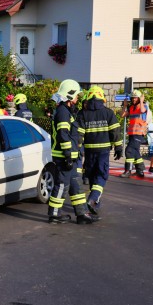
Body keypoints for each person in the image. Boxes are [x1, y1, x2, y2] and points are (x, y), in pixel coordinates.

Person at [48, 79, 98, 225]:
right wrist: (68, 155)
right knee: (62, 185)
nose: (78, 99)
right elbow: (63, 134)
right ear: (70, 96)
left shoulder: (67, 111)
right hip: (64, 157)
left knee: (76, 185)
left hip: (71, 156)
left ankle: (81, 214)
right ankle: (54, 214)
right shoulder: (63, 112)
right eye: (76, 95)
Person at [77, 85, 123, 214]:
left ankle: (95, 203)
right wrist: (118, 147)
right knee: (101, 175)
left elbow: (79, 135)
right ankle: (93, 199)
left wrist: (76, 150)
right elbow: (115, 131)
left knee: (92, 176)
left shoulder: (83, 113)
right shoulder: (108, 112)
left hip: (90, 151)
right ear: (101, 97)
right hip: (103, 151)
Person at [120, 89, 148, 178]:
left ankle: (128, 171)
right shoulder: (131, 108)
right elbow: (122, 115)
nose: (133, 100)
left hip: (139, 133)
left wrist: (142, 101)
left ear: (139, 98)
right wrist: (124, 106)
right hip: (132, 133)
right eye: (132, 98)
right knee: (135, 152)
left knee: (129, 150)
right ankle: (140, 171)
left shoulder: (143, 106)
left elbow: (143, 111)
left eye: (135, 98)